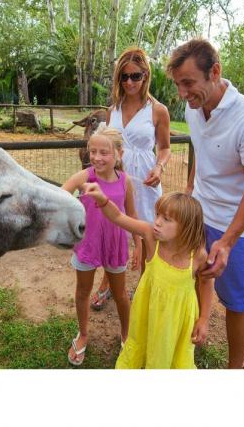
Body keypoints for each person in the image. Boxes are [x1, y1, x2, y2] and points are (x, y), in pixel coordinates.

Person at [166, 38, 244, 368]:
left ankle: (234, 368)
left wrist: (227, 243)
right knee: (196, 278)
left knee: (236, 301)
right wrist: (188, 193)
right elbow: (201, 150)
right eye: (178, 85)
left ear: (215, 72)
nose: (183, 94)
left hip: (234, 227)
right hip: (199, 214)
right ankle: (193, 343)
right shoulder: (194, 106)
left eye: (188, 83)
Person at [82, 184, 213, 369]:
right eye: (157, 215)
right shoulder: (151, 237)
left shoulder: (197, 255)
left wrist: (204, 319)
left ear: (186, 227)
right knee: (142, 341)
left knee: (168, 352)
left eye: (166, 219)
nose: (157, 222)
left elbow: (206, 283)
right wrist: (103, 200)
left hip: (176, 319)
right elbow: (119, 217)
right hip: (148, 308)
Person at [90, 46, 171, 311]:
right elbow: (108, 147)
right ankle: (107, 283)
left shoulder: (158, 110)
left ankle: (144, 290)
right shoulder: (112, 110)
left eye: (135, 76)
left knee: (146, 236)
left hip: (146, 181)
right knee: (114, 233)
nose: (129, 82)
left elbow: (165, 148)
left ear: (146, 75)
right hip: (118, 180)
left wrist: (159, 168)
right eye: (124, 77)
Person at [62, 124, 140, 366]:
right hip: (88, 244)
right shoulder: (85, 177)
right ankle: (83, 334)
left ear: (119, 154)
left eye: (103, 152)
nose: (96, 157)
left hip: (115, 246)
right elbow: (61, 194)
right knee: (83, 292)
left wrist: (138, 244)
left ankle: (126, 334)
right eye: (92, 151)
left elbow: (132, 214)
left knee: (120, 295)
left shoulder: (125, 181)